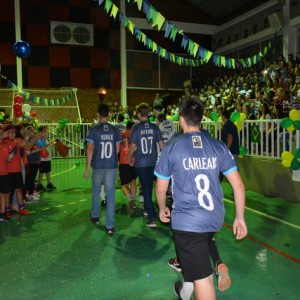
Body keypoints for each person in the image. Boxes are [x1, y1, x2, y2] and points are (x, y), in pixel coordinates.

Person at [154, 97, 247, 300]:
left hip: (188, 222)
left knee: (203, 280)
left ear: (181, 119)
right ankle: (185, 292)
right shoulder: (218, 146)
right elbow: (238, 185)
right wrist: (240, 217)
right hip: (213, 219)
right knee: (198, 266)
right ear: (201, 118)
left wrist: (162, 208)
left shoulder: (172, 146)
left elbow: (161, 188)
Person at [84, 103, 121, 236]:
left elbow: (90, 149)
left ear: (98, 114)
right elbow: (117, 150)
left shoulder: (93, 130)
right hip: (111, 166)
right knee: (111, 194)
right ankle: (110, 226)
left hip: (98, 165)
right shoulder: (115, 130)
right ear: (109, 114)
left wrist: (87, 168)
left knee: (95, 191)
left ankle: (95, 216)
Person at [128, 102, 164, 228]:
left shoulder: (136, 128)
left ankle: (152, 218)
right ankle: (152, 210)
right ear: (148, 114)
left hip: (141, 163)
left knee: (146, 190)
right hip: (154, 162)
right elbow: (161, 144)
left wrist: (129, 157)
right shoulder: (154, 127)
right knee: (155, 188)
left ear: (138, 114)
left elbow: (132, 146)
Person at [118, 121, 137, 208]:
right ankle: (134, 200)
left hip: (124, 161)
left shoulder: (122, 133)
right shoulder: (136, 135)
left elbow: (117, 147)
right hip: (134, 161)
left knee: (124, 185)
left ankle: (130, 201)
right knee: (133, 181)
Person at [220, 109, 240, 181]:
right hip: (233, 149)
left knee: (233, 168)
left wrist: (227, 148)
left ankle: (238, 186)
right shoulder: (231, 124)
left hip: (231, 150)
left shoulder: (227, 125)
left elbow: (230, 137)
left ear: (223, 116)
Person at [36, 126, 56, 192]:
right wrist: (51, 143)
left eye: (46, 131)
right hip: (42, 159)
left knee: (48, 171)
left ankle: (49, 183)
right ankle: (39, 184)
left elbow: (46, 147)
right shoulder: (39, 139)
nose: (45, 132)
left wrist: (51, 143)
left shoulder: (45, 139)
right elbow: (43, 147)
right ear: (40, 132)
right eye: (44, 131)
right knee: (41, 172)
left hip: (47, 158)